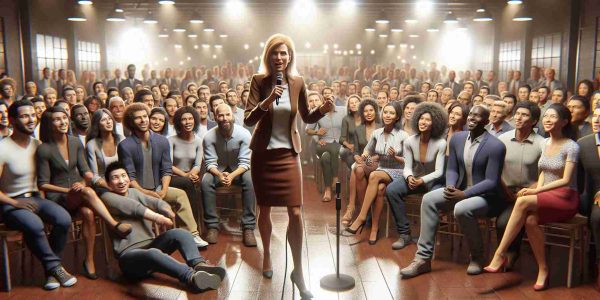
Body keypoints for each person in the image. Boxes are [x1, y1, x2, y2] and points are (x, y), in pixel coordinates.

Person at [244, 33, 333, 298]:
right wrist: (267, 101)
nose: (280, 58)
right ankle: (268, 256)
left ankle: (298, 271)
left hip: (288, 155)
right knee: (265, 209)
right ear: (268, 56)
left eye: (284, 53)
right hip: (263, 155)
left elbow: (306, 115)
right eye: (275, 53)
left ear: (290, 56)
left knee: (296, 213)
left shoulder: (298, 82)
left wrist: (324, 109)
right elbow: (249, 119)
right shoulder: (258, 81)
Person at [401, 105, 507, 278]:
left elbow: (492, 181)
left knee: (461, 208)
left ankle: (478, 257)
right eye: (471, 114)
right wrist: (451, 186)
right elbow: (452, 169)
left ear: (486, 122)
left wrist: (464, 194)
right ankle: (423, 259)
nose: (472, 118)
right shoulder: (458, 138)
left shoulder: (496, 146)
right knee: (428, 199)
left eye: (478, 116)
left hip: (486, 197)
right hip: (459, 189)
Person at [485, 104, 580, 291]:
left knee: (522, 200)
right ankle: (543, 270)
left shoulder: (571, 146)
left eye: (553, 116)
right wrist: (540, 190)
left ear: (564, 122)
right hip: (547, 195)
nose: (548, 119)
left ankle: (499, 253)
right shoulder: (545, 143)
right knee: (530, 220)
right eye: (546, 116)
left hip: (566, 197)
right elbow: (544, 172)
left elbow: (566, 180)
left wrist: (535, 191)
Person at [36, 106, 133, 280]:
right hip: (58, 197)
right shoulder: (44, 149)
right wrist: (69, 189)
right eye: (57, 119)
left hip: (80, 194)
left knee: (88, 213)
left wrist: (82, 184)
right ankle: (113, 224)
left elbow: (85, 172)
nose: (62, 122)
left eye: (64, 118)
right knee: (87, 191)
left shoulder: (74, 142)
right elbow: (43, 184)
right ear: (49, 124)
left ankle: (89, 260)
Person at [100, 162, 226, 292]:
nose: (121, 181)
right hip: (129, 258)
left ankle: (199, 265)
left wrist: (166, 209)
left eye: (123, 176)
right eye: (115, 178)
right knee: (153, 253)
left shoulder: (134, 192)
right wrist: (158, 217)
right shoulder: (106, 197)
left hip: (151, 246)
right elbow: (133, 208)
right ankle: (192, 277)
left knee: (181, 233)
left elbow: (154, 201)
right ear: (108, 183)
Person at [0, 100, 75, 290]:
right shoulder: (3, 148)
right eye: (25, 116)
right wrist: (14, 203)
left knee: (63, 218)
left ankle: (50, 273)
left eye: (33, 115)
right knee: (35, 224)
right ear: (12, 120)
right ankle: (56, 268)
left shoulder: (38, 144)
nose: (31, 119)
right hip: (9, 202)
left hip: (35, 198)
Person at [117, 103, 205, 247]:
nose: (143, 120)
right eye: (138, 118)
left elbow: (166, 169)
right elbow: (129, 176)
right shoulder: (125, 145)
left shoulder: (162, 141)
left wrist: (164, 189)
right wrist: (145, 192)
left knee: (180, 194)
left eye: (145, 116)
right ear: (131, 122)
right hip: (137, 191)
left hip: (158, 188)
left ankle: (191, 235)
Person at [345, 102, 409, 245]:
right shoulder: (376, 133)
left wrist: (395, 157)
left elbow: (408, 162)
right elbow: (366, 153)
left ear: (397, 117)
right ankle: (374, 228)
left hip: (398, 171)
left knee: (374, 175)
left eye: (391, 113)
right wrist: (367, 158)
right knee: (379, 189)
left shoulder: (404, 135)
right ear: (382, 113)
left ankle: (361, 218)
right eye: (385, 112)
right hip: (381, 168)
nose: (387, 115)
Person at [386, 102, 448, 250]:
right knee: (392, 190)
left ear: (435, 123)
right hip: (415, 178)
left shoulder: (441, 143)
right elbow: (407, 167)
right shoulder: (409, 141)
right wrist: (409, 178)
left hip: (434, 182)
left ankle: (427, 240)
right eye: (421, 118)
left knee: (431, 199)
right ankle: (405, 234)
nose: (423, 122)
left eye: (428, 120)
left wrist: (421, 180)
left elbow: (439, 172)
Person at [495, 101, 544, 270]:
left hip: (528, 194)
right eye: (517, 113)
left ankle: (511, 252)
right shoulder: (502, 139)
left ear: (534, 121)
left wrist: (530, 190)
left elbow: (546, 174)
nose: (519, 117)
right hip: (503, 190)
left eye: (524, 115)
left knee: (503, 222)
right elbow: (495, 169)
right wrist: (505, 190)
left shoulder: (541, 143)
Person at [202, 104, 256, 246]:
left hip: (239, 171)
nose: (224, 118)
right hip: (218, 171)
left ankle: (248, 227)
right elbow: (210, 163)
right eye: (220, 115)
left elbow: (245, 162)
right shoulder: (208, 137)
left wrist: (232, 176)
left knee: (250, 179)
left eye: (227, 115)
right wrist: (220, 175)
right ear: (215, 117)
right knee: (205, 181)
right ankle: (212, 226)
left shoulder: (244, 134)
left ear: (232, 115)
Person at [167, 106, 209, 248]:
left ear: (195, 120)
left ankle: (193, 230)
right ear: (179, 122)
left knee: (191, 183)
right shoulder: (171, 140)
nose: (187, 122)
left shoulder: (199, 141)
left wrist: (193, 174)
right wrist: (186, 175)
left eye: (190, 118)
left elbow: (197, 164)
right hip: (172, 177)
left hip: (189, 177)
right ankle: (193, 232)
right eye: (183, 119)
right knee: (188, 184)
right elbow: (169, 165)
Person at [305, 92, 346, 202]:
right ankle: (335, 178)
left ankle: (327, 189)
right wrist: (317, 132)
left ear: (335, 98)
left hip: (340, 144)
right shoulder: (318, 112)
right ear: (324, 100)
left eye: (331, 98)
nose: (329, 101)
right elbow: (307, 130)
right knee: (330, 149)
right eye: (326, 99)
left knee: (325, 158)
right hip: (323, 144)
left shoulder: (343, 110)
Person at [578, 103, 600, 290]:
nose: (597, 120)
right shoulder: (584, 144)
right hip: (594, 196)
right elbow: (578, 181)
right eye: (595, 116)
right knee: (597, 217)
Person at [86, 109, 124, 189]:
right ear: (97, 124)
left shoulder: (122, 139)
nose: (108, 122)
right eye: (103, 120)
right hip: (103, 186)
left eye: (110, 118)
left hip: (123, 182)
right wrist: (110, 188)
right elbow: (94, 176)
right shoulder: (91, 144)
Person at [339, 94, 362, 169]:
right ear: (349, 106)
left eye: (356, 102)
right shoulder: (346, 119)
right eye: (351, 103)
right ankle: (352, 175)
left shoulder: (366, 117)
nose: (354, 104)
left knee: (367, 161)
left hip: (363, 147)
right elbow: (341, 139)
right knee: (350, 158)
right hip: (349, 147)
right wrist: (349, 146)